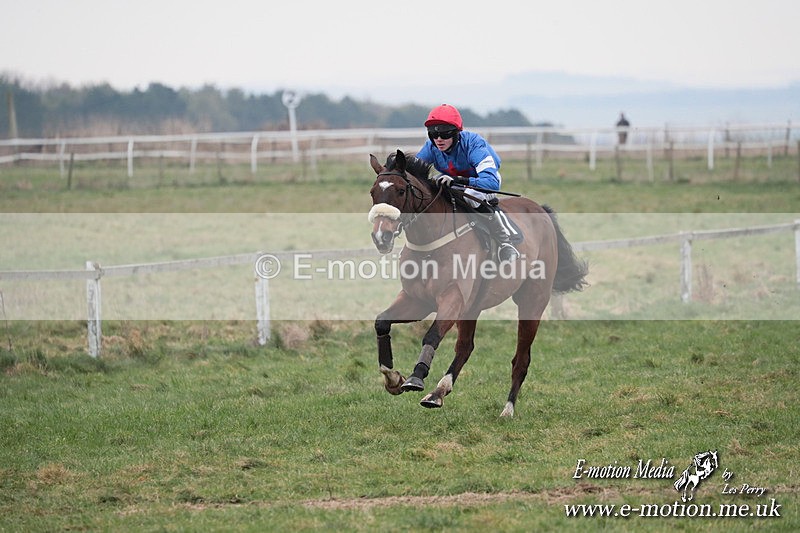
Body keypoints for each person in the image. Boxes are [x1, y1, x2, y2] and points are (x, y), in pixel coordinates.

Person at [416, 104, 520, 263]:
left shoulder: (474, 144)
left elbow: (491, 182)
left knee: (471, 196)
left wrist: (461, 181)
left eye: (444, 134)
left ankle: (504, 242)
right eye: (433, 134)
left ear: (457, 133)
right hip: (455, 183)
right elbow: (413, 171)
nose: (438, 139)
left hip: (482, 182)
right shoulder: (431, 147)